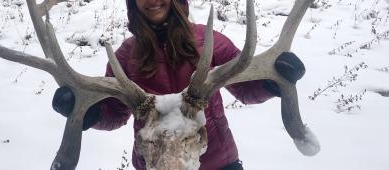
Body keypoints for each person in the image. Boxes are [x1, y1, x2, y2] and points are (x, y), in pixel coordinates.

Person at [52, 0, 306, 169]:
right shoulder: (125, 56)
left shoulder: (210, 42)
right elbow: (115, 113)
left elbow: (246, 87)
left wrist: (273, 81)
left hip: (217, 163)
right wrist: (88, 113)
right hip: (153, 163)